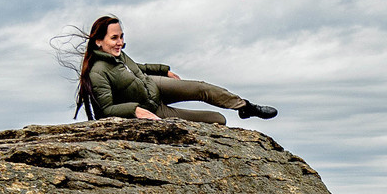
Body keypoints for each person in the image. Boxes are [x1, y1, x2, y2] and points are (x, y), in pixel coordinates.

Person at [74, 16, 277, 125]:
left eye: (121, 36)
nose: (121, 42)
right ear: (99, 41)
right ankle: (230, 113)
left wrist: (164, 71)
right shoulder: (98, 72)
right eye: (114, 38)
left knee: (200, 88)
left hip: (153, 85)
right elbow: (105, 110)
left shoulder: (119, 55)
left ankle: (245, 107)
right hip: (152, 108)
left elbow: (138, 68)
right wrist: (134, 110)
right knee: (217, 120)